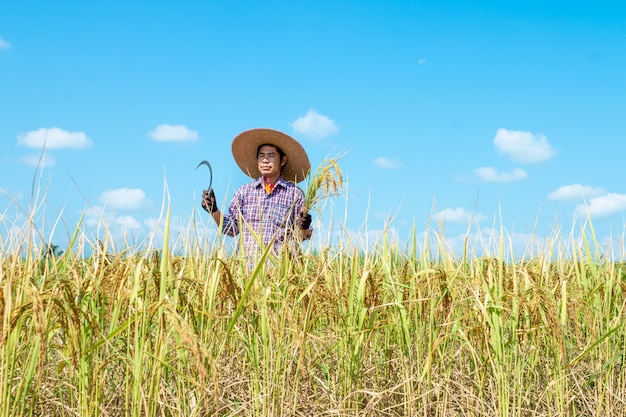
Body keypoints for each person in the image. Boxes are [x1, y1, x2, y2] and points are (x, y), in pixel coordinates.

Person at [201, 128, 313, 261]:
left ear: (282, 161)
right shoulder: (244, 192)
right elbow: (232, 229)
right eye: (261, 156)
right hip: (247, 269)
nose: (265, 160)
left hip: (280, 271)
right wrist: (213, 210)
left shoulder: (295, 194)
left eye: (271, 155)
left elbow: (301, 237)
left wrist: (304, 226)